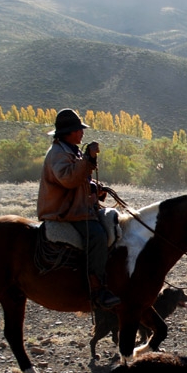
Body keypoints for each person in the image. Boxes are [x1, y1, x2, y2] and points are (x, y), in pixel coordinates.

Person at [38, 108, 121, 309]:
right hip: (64, 212)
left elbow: (80, 178)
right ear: (67, 132)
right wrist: (88, 160)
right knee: (97, 236)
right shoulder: (57, 153)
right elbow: (68, 179)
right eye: (78, 130)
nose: (81, 133)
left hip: (78, 208)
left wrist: (94, 188)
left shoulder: (70, 150)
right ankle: (97, 289)